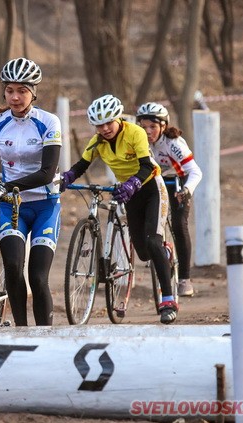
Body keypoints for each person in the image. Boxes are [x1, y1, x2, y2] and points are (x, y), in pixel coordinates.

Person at [61, 94, 178, 324]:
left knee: (154, 241)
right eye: (99, 125)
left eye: (108, 122)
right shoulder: (97, 141)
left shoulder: (135, 133)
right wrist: (67, 176)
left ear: (118, 119)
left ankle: (168, 300)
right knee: (143, 253)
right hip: (129, 193)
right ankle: (159, 255)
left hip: (151, 187)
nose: (104, 128)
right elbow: (82, 165)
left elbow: (146, 166)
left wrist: (133, 183)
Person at [0, 57, 62, 326]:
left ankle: (45, 336)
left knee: (38, 277)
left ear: (33, 92)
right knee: (12, 267)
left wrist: (5, 186)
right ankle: (20, 331)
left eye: (22, 91)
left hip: (45, 205)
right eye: (10, 90)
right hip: (11, 206)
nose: (15, 97)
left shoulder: (49, 122)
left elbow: (47, 172)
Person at [136, 102, 203, 297]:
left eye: (153, 127)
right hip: (153, 181)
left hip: (177, 182)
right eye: (143, 126)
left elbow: (195, 172)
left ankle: (184, 279)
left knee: (178, 225)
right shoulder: (137, 141)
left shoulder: (173, 143)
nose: (147, 131)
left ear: (163, 127)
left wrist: (187, 190)